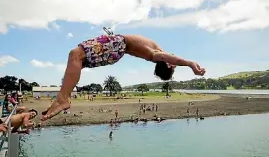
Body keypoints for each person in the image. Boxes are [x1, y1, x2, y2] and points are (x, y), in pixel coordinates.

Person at [42, 28, 206, 120]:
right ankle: (62, 98)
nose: (174, 62)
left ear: (169, 64)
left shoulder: (154, 55)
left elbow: (167, 57)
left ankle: (63, 99)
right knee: (76, 61)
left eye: (174, 65)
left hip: (116, 45)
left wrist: (189, 63)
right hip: (117, 50)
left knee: (75, 54)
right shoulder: (156, 51)